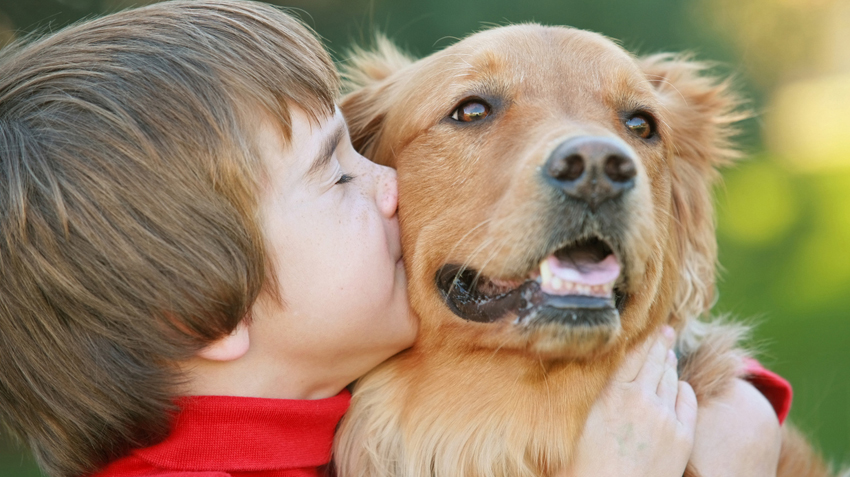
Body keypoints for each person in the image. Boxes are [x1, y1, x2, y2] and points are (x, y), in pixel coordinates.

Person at [0, 1, 786, 477]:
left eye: (637, 129)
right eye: (339, 174)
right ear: (204, 310)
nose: (390, 187)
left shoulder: (308, 399)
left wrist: (733, 400)